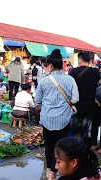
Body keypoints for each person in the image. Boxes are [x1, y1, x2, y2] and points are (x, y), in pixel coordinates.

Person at [35, 49, 79, 180]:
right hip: (63, 119)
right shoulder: (70, 79)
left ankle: (50, 169)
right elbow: (76, 99)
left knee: (49, 145)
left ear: (51, 66)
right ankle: (56, 169)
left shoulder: (44, 81)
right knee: (60, 145)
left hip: (47, 119)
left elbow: (37, 100)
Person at [69, 51, 100, 137]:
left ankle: (68, 146)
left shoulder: (73, 72)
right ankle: (84, 147)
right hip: (89, 104)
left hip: (76, 104)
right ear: (89, 61)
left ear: (79, 61)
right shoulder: (95, 72)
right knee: (85, 129)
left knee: (72, 128)